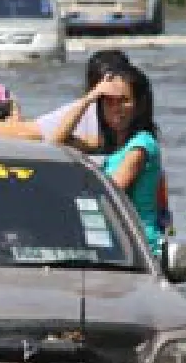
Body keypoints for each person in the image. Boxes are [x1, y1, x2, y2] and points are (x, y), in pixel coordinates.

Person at [55, 64, 166, 255]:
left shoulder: (140, 146)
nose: (116, 109)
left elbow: (109, 193)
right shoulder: (111, 145)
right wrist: (90, 98)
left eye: (124, 101)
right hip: (113, 245)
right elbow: (57, 141)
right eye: (109, 102)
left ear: (139, 105)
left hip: (141, 251)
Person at [0, 49, 130, 145]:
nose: (116, 106)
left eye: (123, 99)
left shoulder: (137, 125)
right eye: (108, 98)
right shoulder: (85, 108)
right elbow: (39, 134)